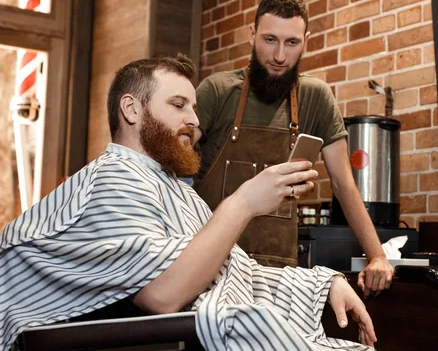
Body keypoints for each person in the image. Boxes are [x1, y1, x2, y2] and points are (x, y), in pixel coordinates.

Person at [0, 55, 377, 351]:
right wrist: (243, 202)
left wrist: (323, 282)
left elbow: (231, 272)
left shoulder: (171, 186)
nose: (193, 120)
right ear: (131, 110)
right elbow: (162, 295)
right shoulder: (115, 178)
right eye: (179, 105)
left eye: (193, 108)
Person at [193, 0, 394, 296]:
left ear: (306, 42)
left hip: (278, 277)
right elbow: (170, 167)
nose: (279, 56)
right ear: (252, 34)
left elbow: (343, 185)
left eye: (291, 43)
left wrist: (377, 256)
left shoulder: (315, 98)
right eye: (269, 39)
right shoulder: (217, 92)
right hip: (209, 270)